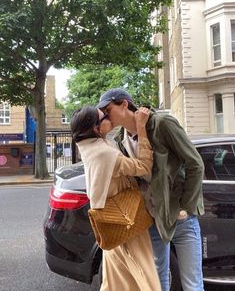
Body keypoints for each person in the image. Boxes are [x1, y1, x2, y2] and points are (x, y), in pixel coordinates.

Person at [97, 88, 205, 291]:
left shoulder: (161, 124)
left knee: (192, 284)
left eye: (107, 108)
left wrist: (186, 206)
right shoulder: (121, 140)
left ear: (124, 104)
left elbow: (195, 163)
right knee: (156, 282)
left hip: (181, 217)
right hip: (152, 219)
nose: (104, 114)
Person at [70, 106, 161, 291]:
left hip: (110, 223)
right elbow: (144, 167)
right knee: (145, 278)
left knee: (116, 283)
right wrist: (142, 129)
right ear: (96, 128)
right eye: (105, 117)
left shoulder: (89, 147)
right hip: (126, 221)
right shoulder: (105, 154)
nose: (109, 117)